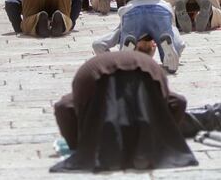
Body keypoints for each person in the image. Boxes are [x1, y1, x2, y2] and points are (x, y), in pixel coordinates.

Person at [51, 50, 197, 172]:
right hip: (147, 70)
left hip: (96, 74)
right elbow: (179, 102)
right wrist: (166, 137)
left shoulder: (88, 85)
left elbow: (63, 107)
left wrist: (77, 146)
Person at [91, 0, 184, 73]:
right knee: (171, 44)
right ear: (154, 45)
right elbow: (180, 43)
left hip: (133, 10)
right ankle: (167, 60)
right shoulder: (164, 6)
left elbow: (98, 45)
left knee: (172, 42)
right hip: (160, 9)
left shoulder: (129, 9)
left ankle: (124, 59)